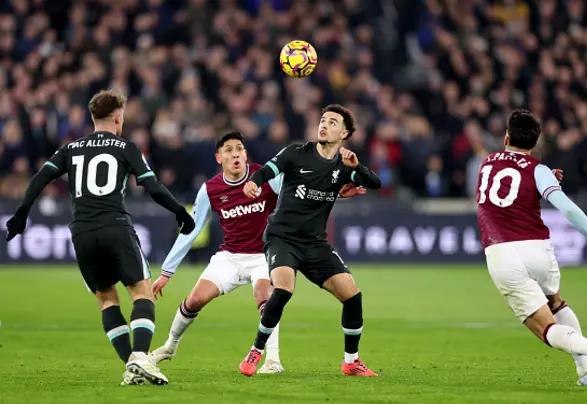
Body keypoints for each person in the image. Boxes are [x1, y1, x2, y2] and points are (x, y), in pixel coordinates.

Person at [4, 90, 195, 386]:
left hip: (81, 231)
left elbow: (41, 177)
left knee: (107, 300)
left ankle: (131, 368)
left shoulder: (71, 148)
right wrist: (179, 212)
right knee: (142, 293)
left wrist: (21, 213)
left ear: (93, 117)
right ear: (118, 117)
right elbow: (152, 186)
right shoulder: (126, 146)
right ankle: (141, 358)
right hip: (115, 225)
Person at [149, 131, 365, 374]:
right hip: (229, 256)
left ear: (245, 154)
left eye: (239, 149)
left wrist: (336, 192)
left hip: (265, 254)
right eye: (229, 151)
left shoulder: (264, 176)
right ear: (218, 158)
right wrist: (167, 272)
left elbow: (301, 191)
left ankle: (272, 361)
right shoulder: (210, 189)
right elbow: (191, 229)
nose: (235, 154)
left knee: (267, 296)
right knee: (195, 300)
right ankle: (169, 346)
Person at [476, 109, 587, 388]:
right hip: (538, 249)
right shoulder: (538, 169)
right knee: (556, 302)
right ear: (535, 144)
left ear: (506, 136)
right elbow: (566, 208)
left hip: (501, 253)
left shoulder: (486, 163)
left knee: (546, 329)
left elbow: (507, 189)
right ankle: (585, 373)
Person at [238, 104, 382, 377]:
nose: (324, 125)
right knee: (283, 290)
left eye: (332, 122)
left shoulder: (344, 165)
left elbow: (374, 183)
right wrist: (254, 182)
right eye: (322, 120)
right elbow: (266, 170)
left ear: (345, 132)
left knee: (352, 296)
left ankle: (351, 361)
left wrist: (357, 167)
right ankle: (256, 350)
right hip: (282, 238)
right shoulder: (296, 153)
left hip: (315, 243)